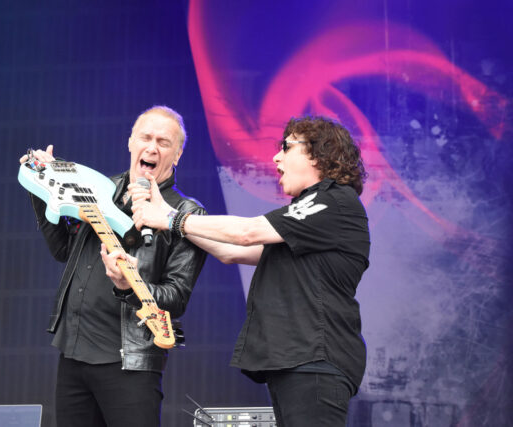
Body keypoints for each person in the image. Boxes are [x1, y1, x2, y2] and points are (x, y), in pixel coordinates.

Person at [131, 116, 370, 427]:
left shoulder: (333, 201)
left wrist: (170, 219)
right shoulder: (308, 221)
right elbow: (231, 251)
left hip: (316, 361)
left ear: (318, 154)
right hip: (296, 363)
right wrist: (168, 215)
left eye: (286, 147)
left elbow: (247, 232)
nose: (276, 157)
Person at [20, 106, 207, 427]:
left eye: (163, 142)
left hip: (130, 364)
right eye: (145, 138)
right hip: (73, 353)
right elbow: (64, 249)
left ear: (177, 155)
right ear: (130, 142)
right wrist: (42, 186)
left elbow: (176, 297)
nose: (152, 148)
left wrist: (129, 286)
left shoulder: (185, 214)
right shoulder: (98, 188)